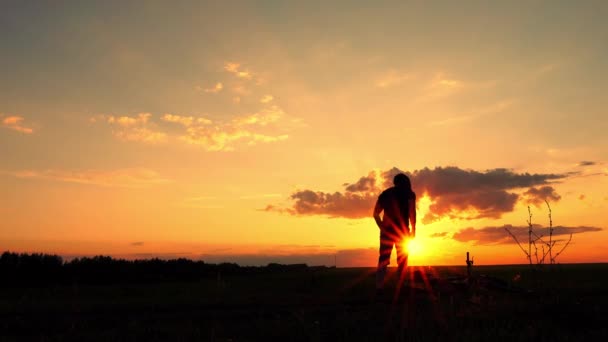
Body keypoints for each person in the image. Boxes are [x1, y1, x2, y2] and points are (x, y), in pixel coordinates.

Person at [373, 173, 416, 292]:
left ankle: (379, 287)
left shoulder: (385, 194)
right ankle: (400, 286)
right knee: (402, 261)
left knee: (383, 259)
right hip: (402, 232)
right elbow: (412, 213)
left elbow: (375, 214)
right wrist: (414, 229)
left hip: (388, 232)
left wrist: (382, 227)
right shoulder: (409, 194)